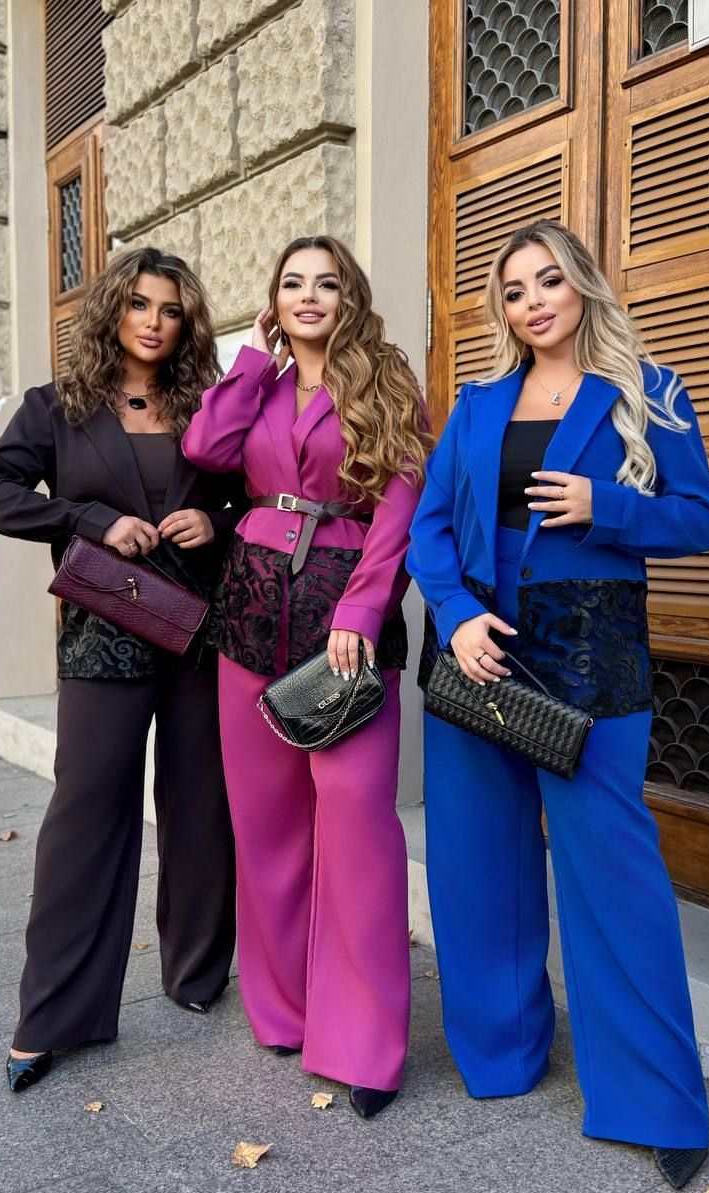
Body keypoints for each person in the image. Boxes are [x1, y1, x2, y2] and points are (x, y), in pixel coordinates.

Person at [407, 219, 709, 1188]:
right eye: (513, 290)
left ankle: (655, 1101)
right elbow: (428, 528)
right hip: (481, 650)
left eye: (548, 280)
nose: (533, 301)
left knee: (612, 870)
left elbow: (699, 519)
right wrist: (455, 614)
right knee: (477, 862)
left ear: (582, 284)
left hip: (593, 646)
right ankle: (501, 1057)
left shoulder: (648, 392)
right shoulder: (476, 405)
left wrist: (605, 506)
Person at [0, 248, 245, 1092]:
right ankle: (56, 1014)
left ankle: (195, 973)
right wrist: (88, 519)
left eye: (170, 309)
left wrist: (215, 520)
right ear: (112, 312)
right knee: (85, 813)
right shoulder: (59, 406)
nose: (154, 322)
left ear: (187, 322)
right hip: (102, 633)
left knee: (201, 806)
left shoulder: (209, 405)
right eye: (139, 304)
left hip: (198, 630)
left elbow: (255, 493)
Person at [182, 235, 428, 1118]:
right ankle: (284, 1011)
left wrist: (364, 607)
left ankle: (364, 1040)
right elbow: (207, 448)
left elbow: (401, 503)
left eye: (326, 282)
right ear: (275, 302)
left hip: (343, 615)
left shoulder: (386, 381)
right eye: (292, 284)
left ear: (349, 295)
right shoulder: (263, 383)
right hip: (251, 611)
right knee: (267, 826)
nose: (309, 295)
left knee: (356, 820)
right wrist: (251, 359)